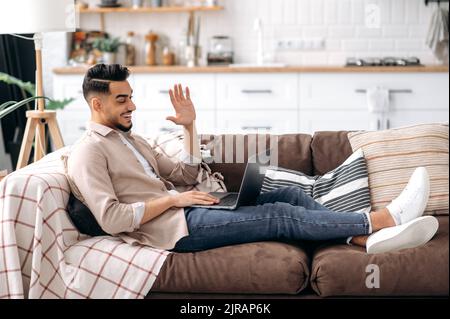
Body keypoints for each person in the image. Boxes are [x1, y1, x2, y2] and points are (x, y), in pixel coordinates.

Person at [66, 64, 439, 255]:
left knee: (288, 196)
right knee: (279, 216)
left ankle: (359, 236)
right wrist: (173, 199)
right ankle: (381, 219)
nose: (132, 105)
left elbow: (186, 172)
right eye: (122, 100)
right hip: (173, 230)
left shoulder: (133, 140)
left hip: (188, 208)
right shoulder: (89, 151)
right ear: (96, 104)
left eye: (131, 96)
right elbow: (112, 218)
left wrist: (190, 127)